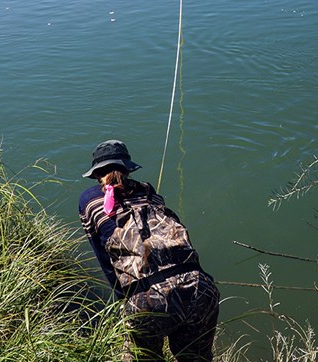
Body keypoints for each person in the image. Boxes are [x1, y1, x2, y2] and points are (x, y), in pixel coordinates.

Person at [79, 139, 220, 361]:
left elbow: (104, 259)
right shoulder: (147, 191)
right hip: (200, 289)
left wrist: (123, 298)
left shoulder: (88, 200)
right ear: (127, 168)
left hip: (147, 299)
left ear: (96, 173)